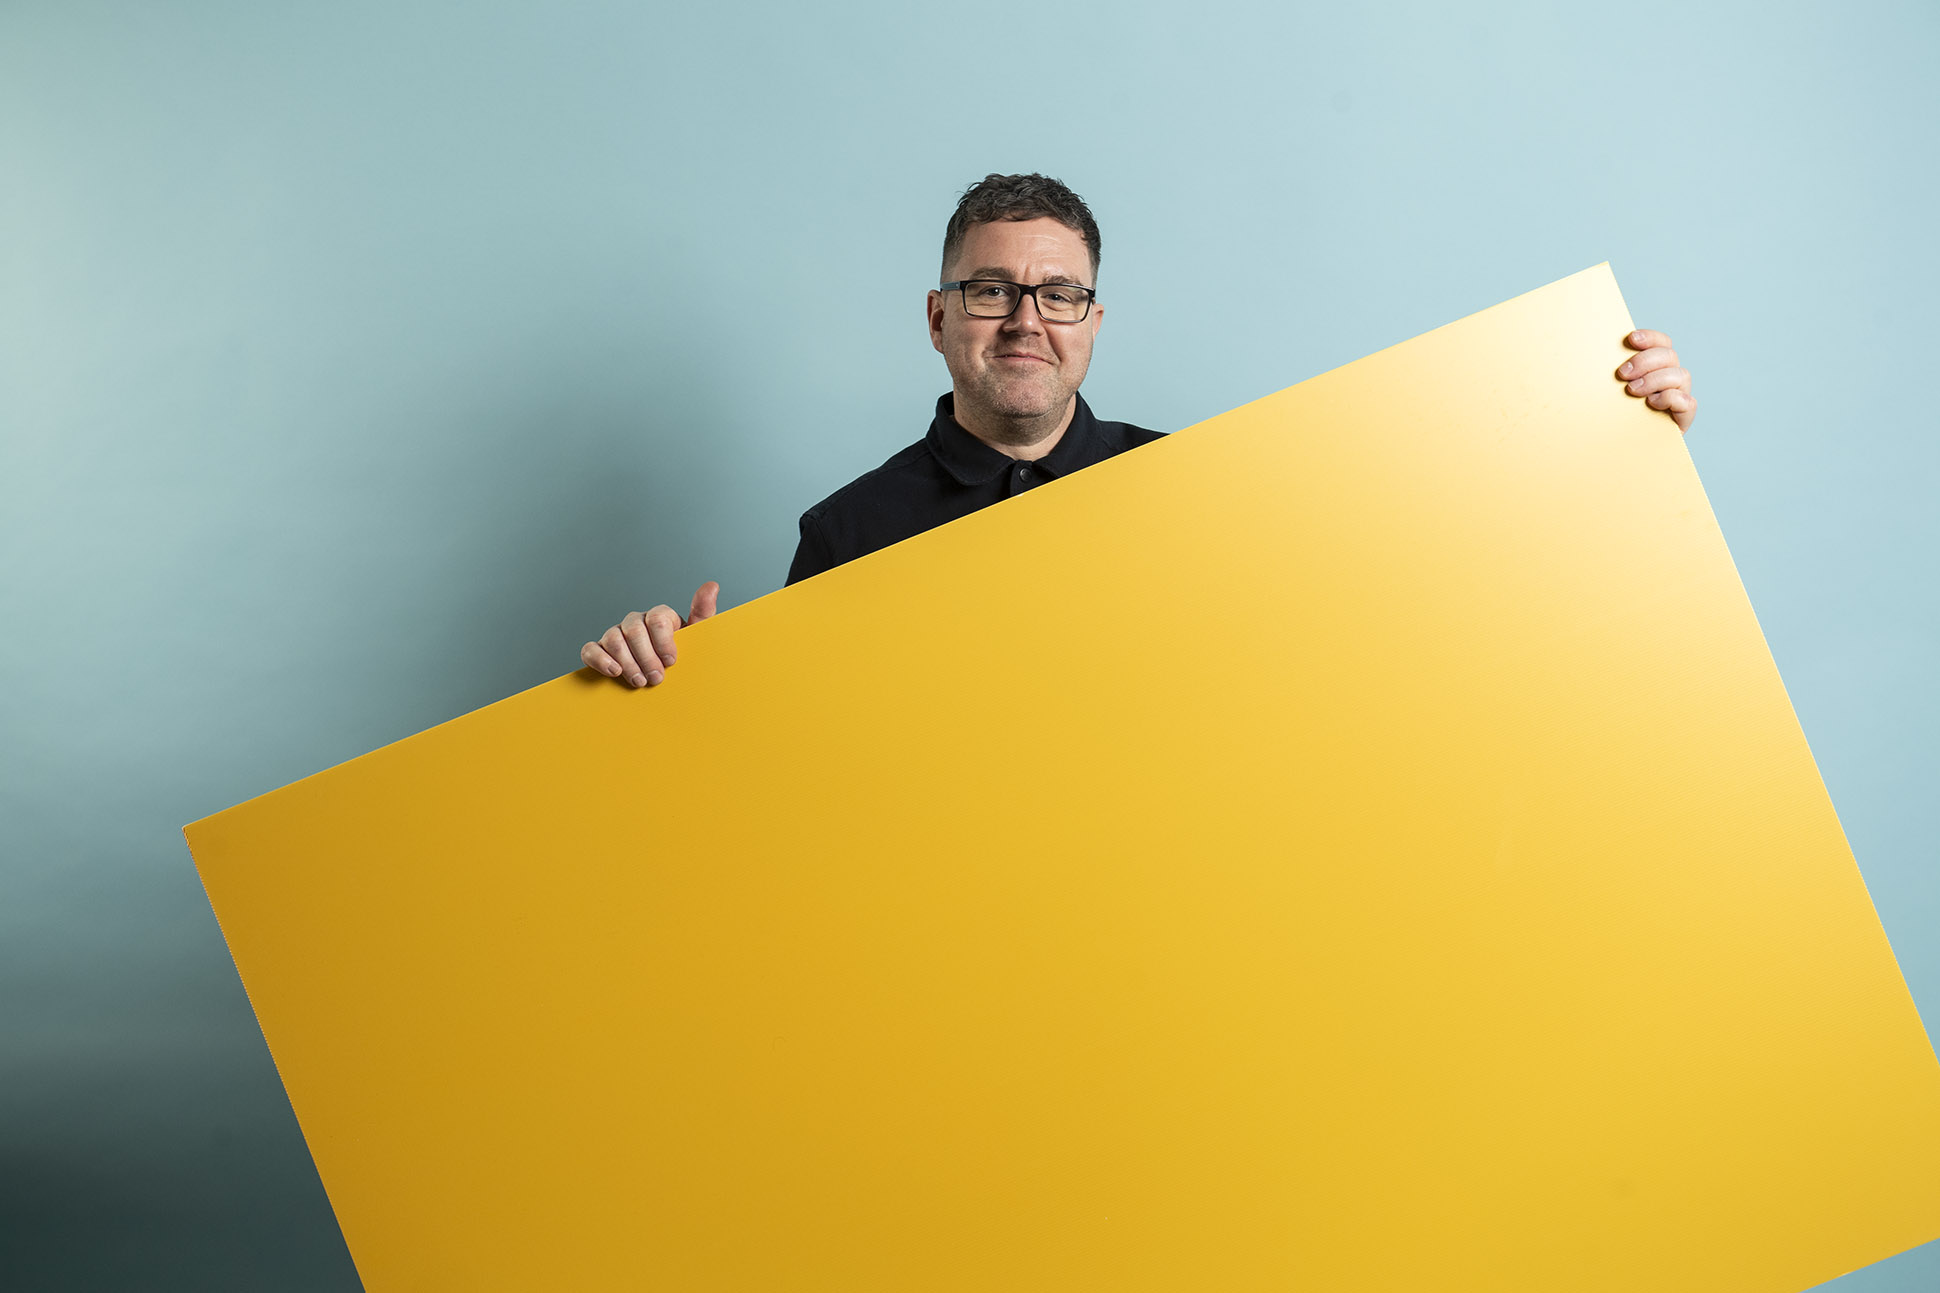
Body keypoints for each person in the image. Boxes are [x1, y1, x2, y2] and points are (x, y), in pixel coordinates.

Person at [580, 173, 1697, 689]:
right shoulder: (843, 534)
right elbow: (794, 793)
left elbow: (1384, 613)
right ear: (936, 319)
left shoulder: (1193, 488)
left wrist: (1613, 432)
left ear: (1092, 324)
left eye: (1057, 294)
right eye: (988, 291)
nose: (1024, 320)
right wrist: (669, 686)